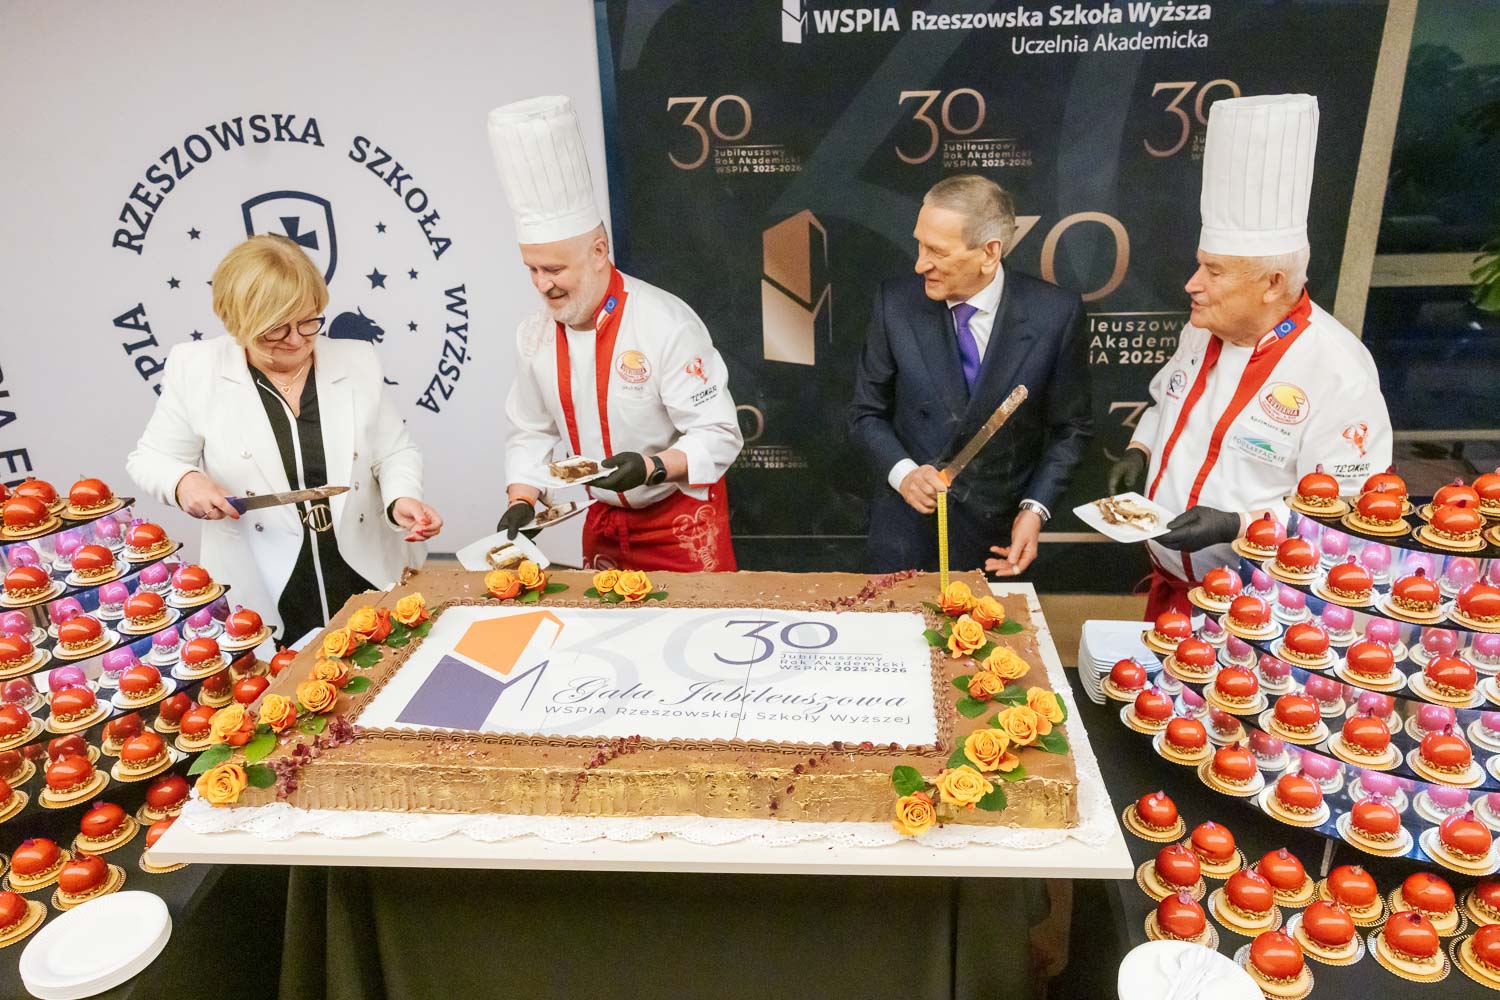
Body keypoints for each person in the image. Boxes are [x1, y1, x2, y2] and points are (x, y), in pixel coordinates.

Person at [1106, 94, 1393, 619]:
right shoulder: (1202, 330)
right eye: (1200, 265)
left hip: (1257, 612)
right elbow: (1165, 403)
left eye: (1214, 271)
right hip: (1171, 595)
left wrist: (1236, 525)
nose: (1192, 284)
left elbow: (1348, 511)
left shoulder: (1337, 370)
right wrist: (1140, 450)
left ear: (1273, 283)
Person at [127, 235, 442, 643]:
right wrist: (185, 482)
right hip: (264, 584)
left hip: (363, 569)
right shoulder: (195, 369)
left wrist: (401, 499)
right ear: (238, 322)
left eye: (308, 321)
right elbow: (151, 458)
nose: (296, 339)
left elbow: (394, 451)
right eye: (275, 329)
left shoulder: (357, 359)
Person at [488, 96, 743, 571]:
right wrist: (523, 498)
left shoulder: (665, 323)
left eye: (554, 269)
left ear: (599, 251)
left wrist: (651, 467)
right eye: (532, 269)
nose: (542, 284)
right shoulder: (534, 335)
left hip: (679, 524)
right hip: (603, 522)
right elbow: (530, 429)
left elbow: (720, 433)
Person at [848, 174, 1093, 575]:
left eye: (937, 251)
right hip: (906, 537)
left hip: (996, 539)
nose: (920, 263)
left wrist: (1034, 510)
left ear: (989, 252)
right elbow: (865, 413)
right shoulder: (895, 304)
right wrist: (905, 475)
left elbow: (1071, 428)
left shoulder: (1055, 314)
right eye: (920, 244)